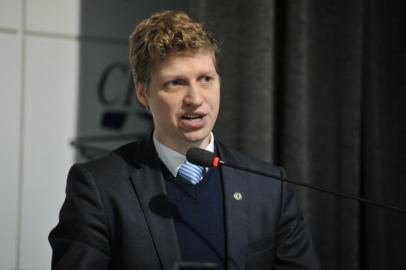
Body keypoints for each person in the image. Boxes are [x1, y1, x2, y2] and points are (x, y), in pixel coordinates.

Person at [49, 10, 320, 270]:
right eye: (176, 83)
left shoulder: (270, 186)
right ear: (143, 94)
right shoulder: (99, 187)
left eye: (205, 79)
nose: (196, 99)